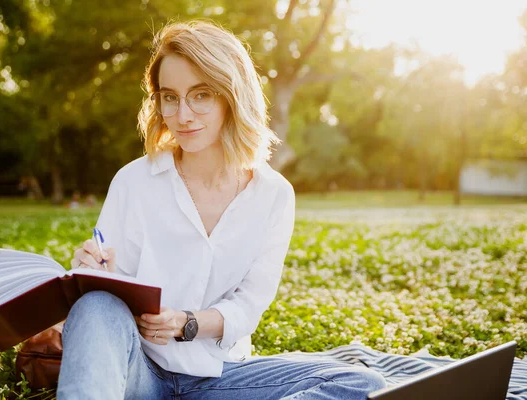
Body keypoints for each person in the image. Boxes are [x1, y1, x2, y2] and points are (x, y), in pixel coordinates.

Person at [58, 20, 387, 399]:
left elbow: (248, 306)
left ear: (232, 95)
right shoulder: (134, 182)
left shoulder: (274, 195)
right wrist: (96, 273)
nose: (183, 115)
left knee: (361, 383)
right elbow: (111, 301)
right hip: (140, 373)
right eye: (170, 96)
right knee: (96, 305)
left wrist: (186, 323)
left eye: (201, 95)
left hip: (223, 378)